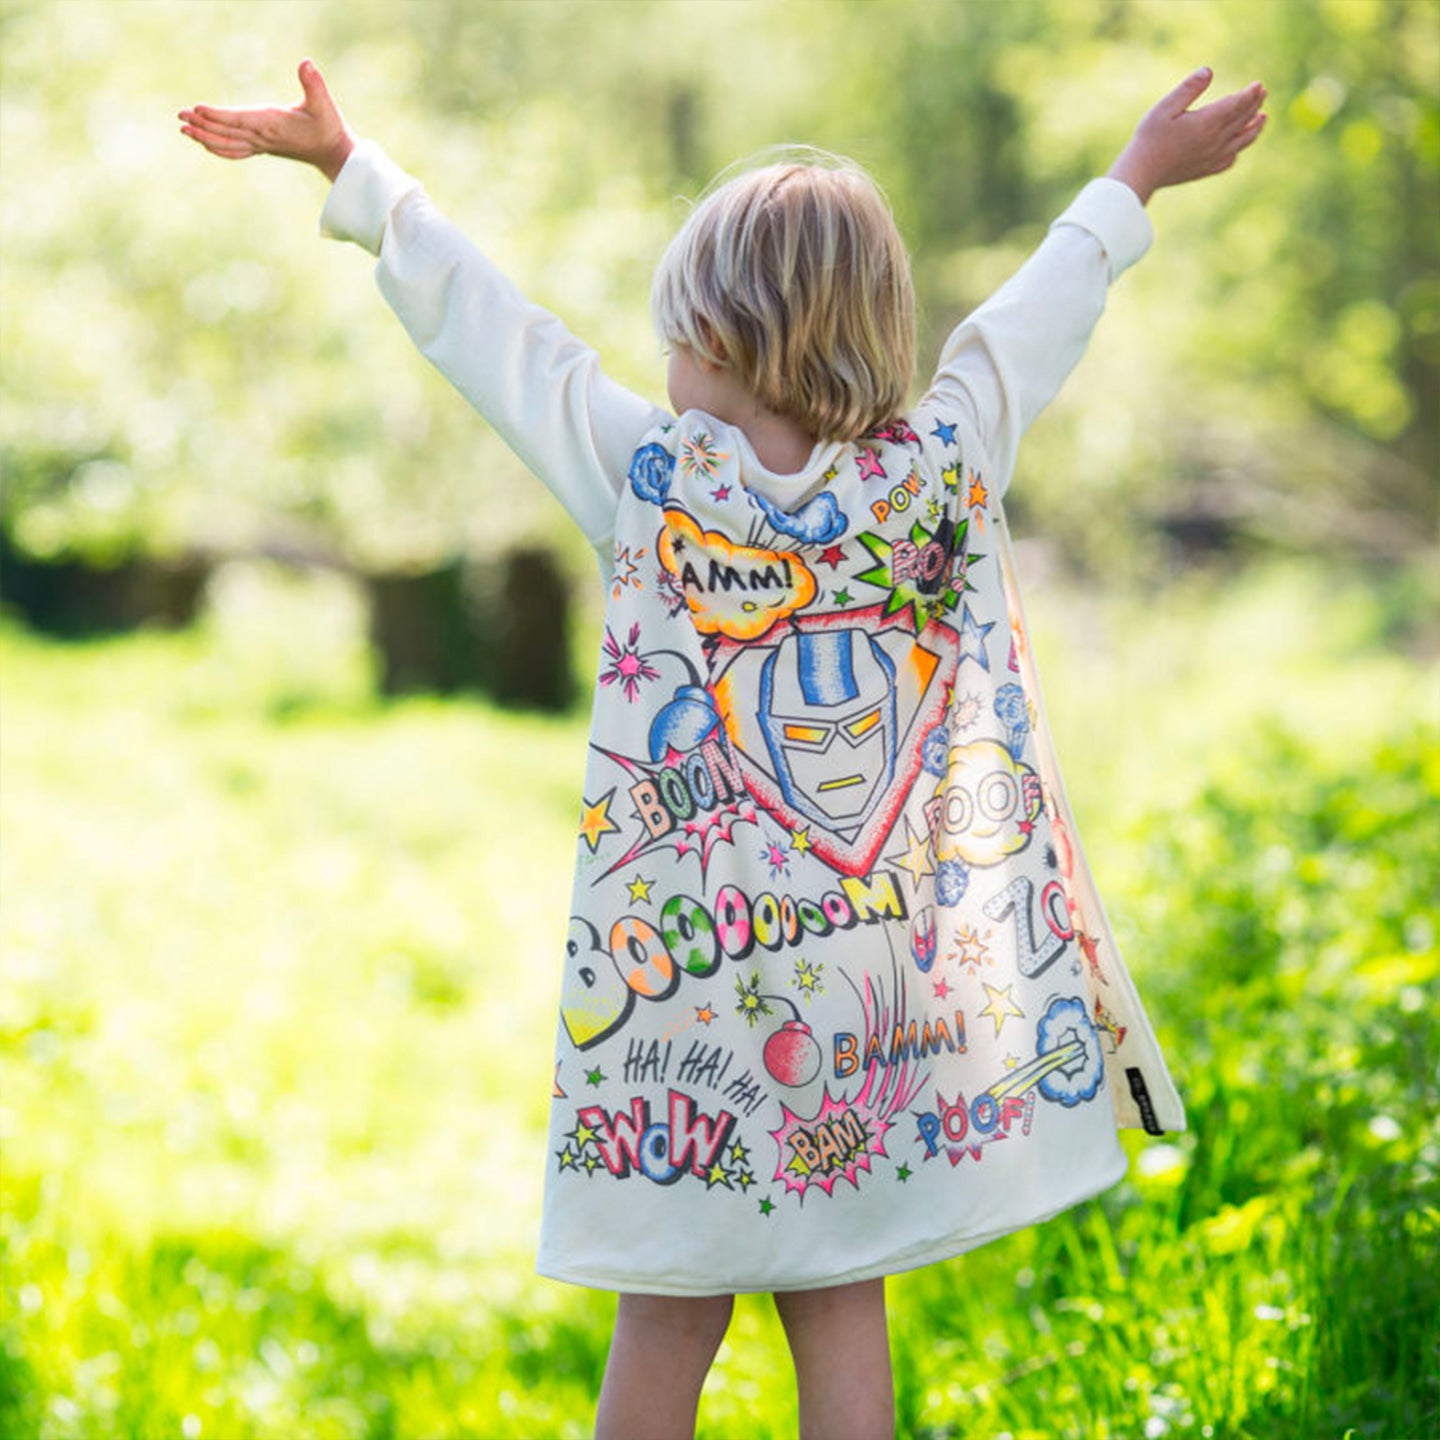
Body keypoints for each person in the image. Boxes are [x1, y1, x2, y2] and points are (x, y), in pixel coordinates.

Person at [181, 61, 1265, 1440]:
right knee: (841, 1293)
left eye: (677, 334)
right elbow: (1029, 325)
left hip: (685, 1010)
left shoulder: (653, 483)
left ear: (731, 336)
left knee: (672, 1309)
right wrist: (1132, 181)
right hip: (879, 1019)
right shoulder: (935, 471)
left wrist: (362, 181)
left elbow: (502, 341)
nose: (663, 365)